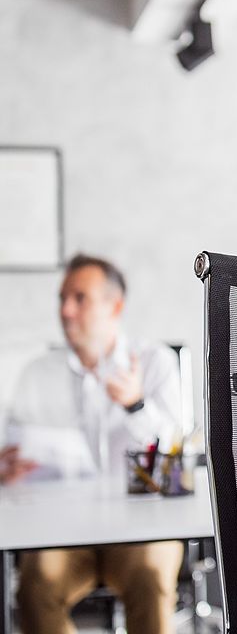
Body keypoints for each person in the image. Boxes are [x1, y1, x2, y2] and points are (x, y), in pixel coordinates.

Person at [0, 254, 184, 634]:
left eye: (79, 298)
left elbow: (174, 458)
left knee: (152, 577)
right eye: (62, 298)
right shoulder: (37, 374)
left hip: (142, 529)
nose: (65, 310)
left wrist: (135, 404)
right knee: (34, 589)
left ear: (114, 306)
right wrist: (7, 468)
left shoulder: (156, 363)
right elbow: (13, 448)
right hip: (61, 531)